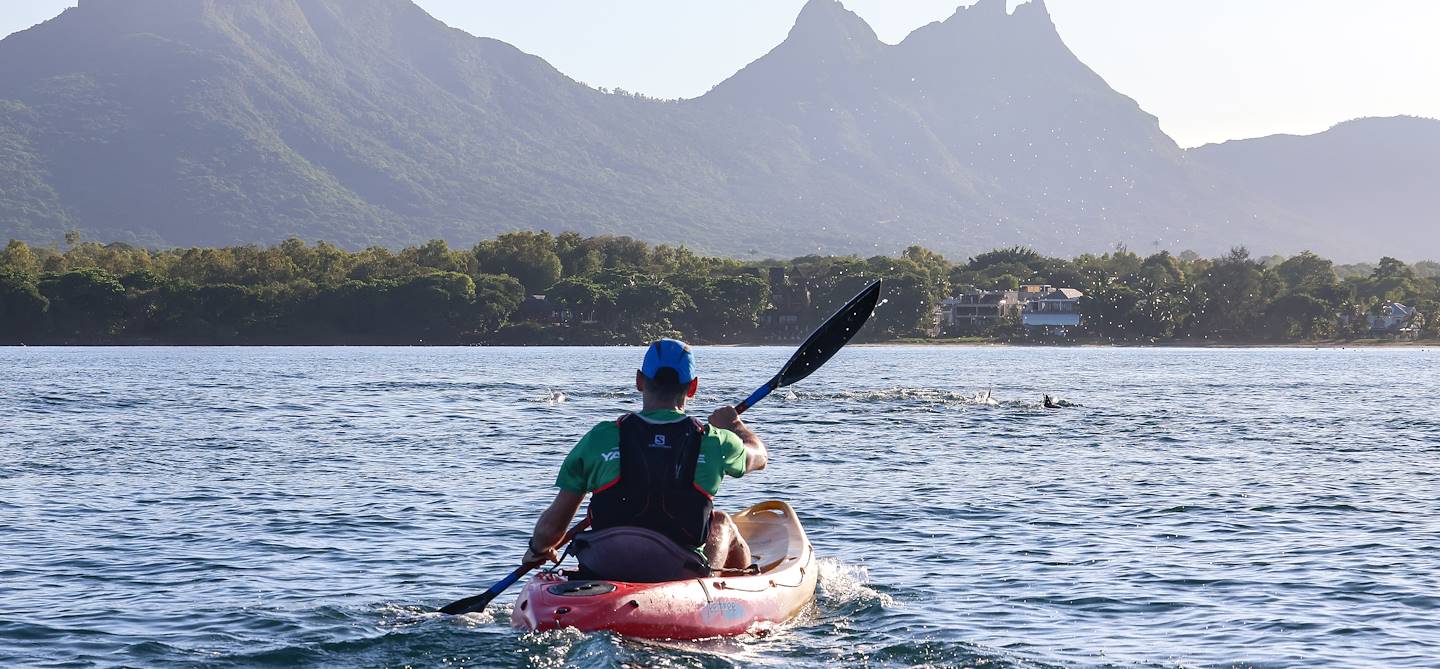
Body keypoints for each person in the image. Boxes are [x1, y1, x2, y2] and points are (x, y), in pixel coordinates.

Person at [522, 339, 768, 581]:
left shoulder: (600, 438)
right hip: (678, 568)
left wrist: (538, 550)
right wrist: (734, 425)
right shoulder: (714, 441)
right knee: (722, 522)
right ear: (692, 388)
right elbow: (760, 457)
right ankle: (723, 594)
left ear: (639, 380)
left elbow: (550, 530)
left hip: (605, 563)